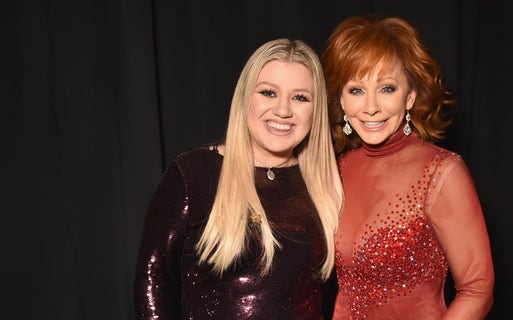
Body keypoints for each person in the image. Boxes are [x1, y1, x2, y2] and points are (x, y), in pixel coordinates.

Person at [133, 38, 344, 319]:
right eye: (268, 93)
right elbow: (153, 275)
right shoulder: (193, 172)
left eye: (300, 97)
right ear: (246, 97)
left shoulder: (325, 184)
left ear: (316, 110)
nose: (283, 110)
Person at [322, 16, 494, 319]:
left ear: (410, 96)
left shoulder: (441, 171)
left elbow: (478, 288)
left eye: (387, 88)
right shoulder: (336, 169)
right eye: (357, 90)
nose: (371, 106)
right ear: (341, 99)